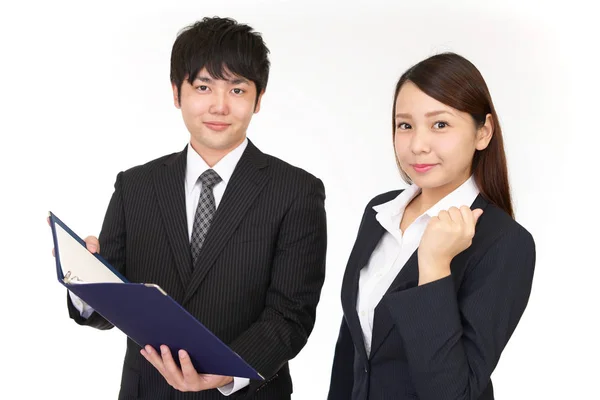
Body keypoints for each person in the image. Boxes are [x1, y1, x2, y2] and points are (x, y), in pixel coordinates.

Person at [58, 16, 327, 399]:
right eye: (203, 86)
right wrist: (85, 282)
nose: (219, 105)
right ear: (176, 92)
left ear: (259, 99)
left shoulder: (297, 191)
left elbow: (290, 316)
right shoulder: (135, 186)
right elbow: (111, 309)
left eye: (237, 89)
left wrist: (224, 372)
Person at [327, 52, 535, 400]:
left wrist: (436, 266)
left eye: (440, 124)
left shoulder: (505, 244)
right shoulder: (380, 213)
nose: (417, 145)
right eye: (405, 125)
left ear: (483, 132)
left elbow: (453, 393)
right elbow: (353, 349)